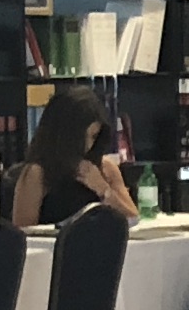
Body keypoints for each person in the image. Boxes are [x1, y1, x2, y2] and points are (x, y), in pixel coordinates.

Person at [8, 86, 138, 228]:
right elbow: (24, 233)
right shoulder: (37, 173)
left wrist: (103, 189)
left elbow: (133, 219)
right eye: (82, 137)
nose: (88, 145)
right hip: (55, 248)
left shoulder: (105, 167)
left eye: (94, 136)